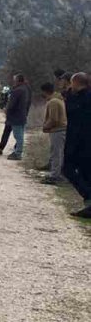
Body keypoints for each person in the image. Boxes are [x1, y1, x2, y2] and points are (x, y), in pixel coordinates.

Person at [63, 72, 91, 218]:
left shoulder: (83, 98)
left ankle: (88, 196)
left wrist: (69, 96)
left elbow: (71, 113)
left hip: (80, 142)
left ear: (76, 83)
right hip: (82, 142)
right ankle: (88, 203)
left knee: (67, 168)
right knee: (85, 173)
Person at [0, 73, 30, 159]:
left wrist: (6, 110)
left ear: (18, 80)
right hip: (22, 115)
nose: (13, 82)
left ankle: (18, 153)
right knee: (20, 135)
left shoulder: (17, 90)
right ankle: (16, 151)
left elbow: (11, 104)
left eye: (14, 80)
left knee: (18, 136)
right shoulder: (26, 89)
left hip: (15, 116)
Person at [39, 81, 67, 185]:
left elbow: (54, 119)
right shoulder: (58, 99)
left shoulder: (53, 102)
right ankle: (56, 174)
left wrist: (45, 127)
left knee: (56, 153)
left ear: (45, 91)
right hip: (60, 130)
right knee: (58, 153)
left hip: (57, 130)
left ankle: (55, 176)